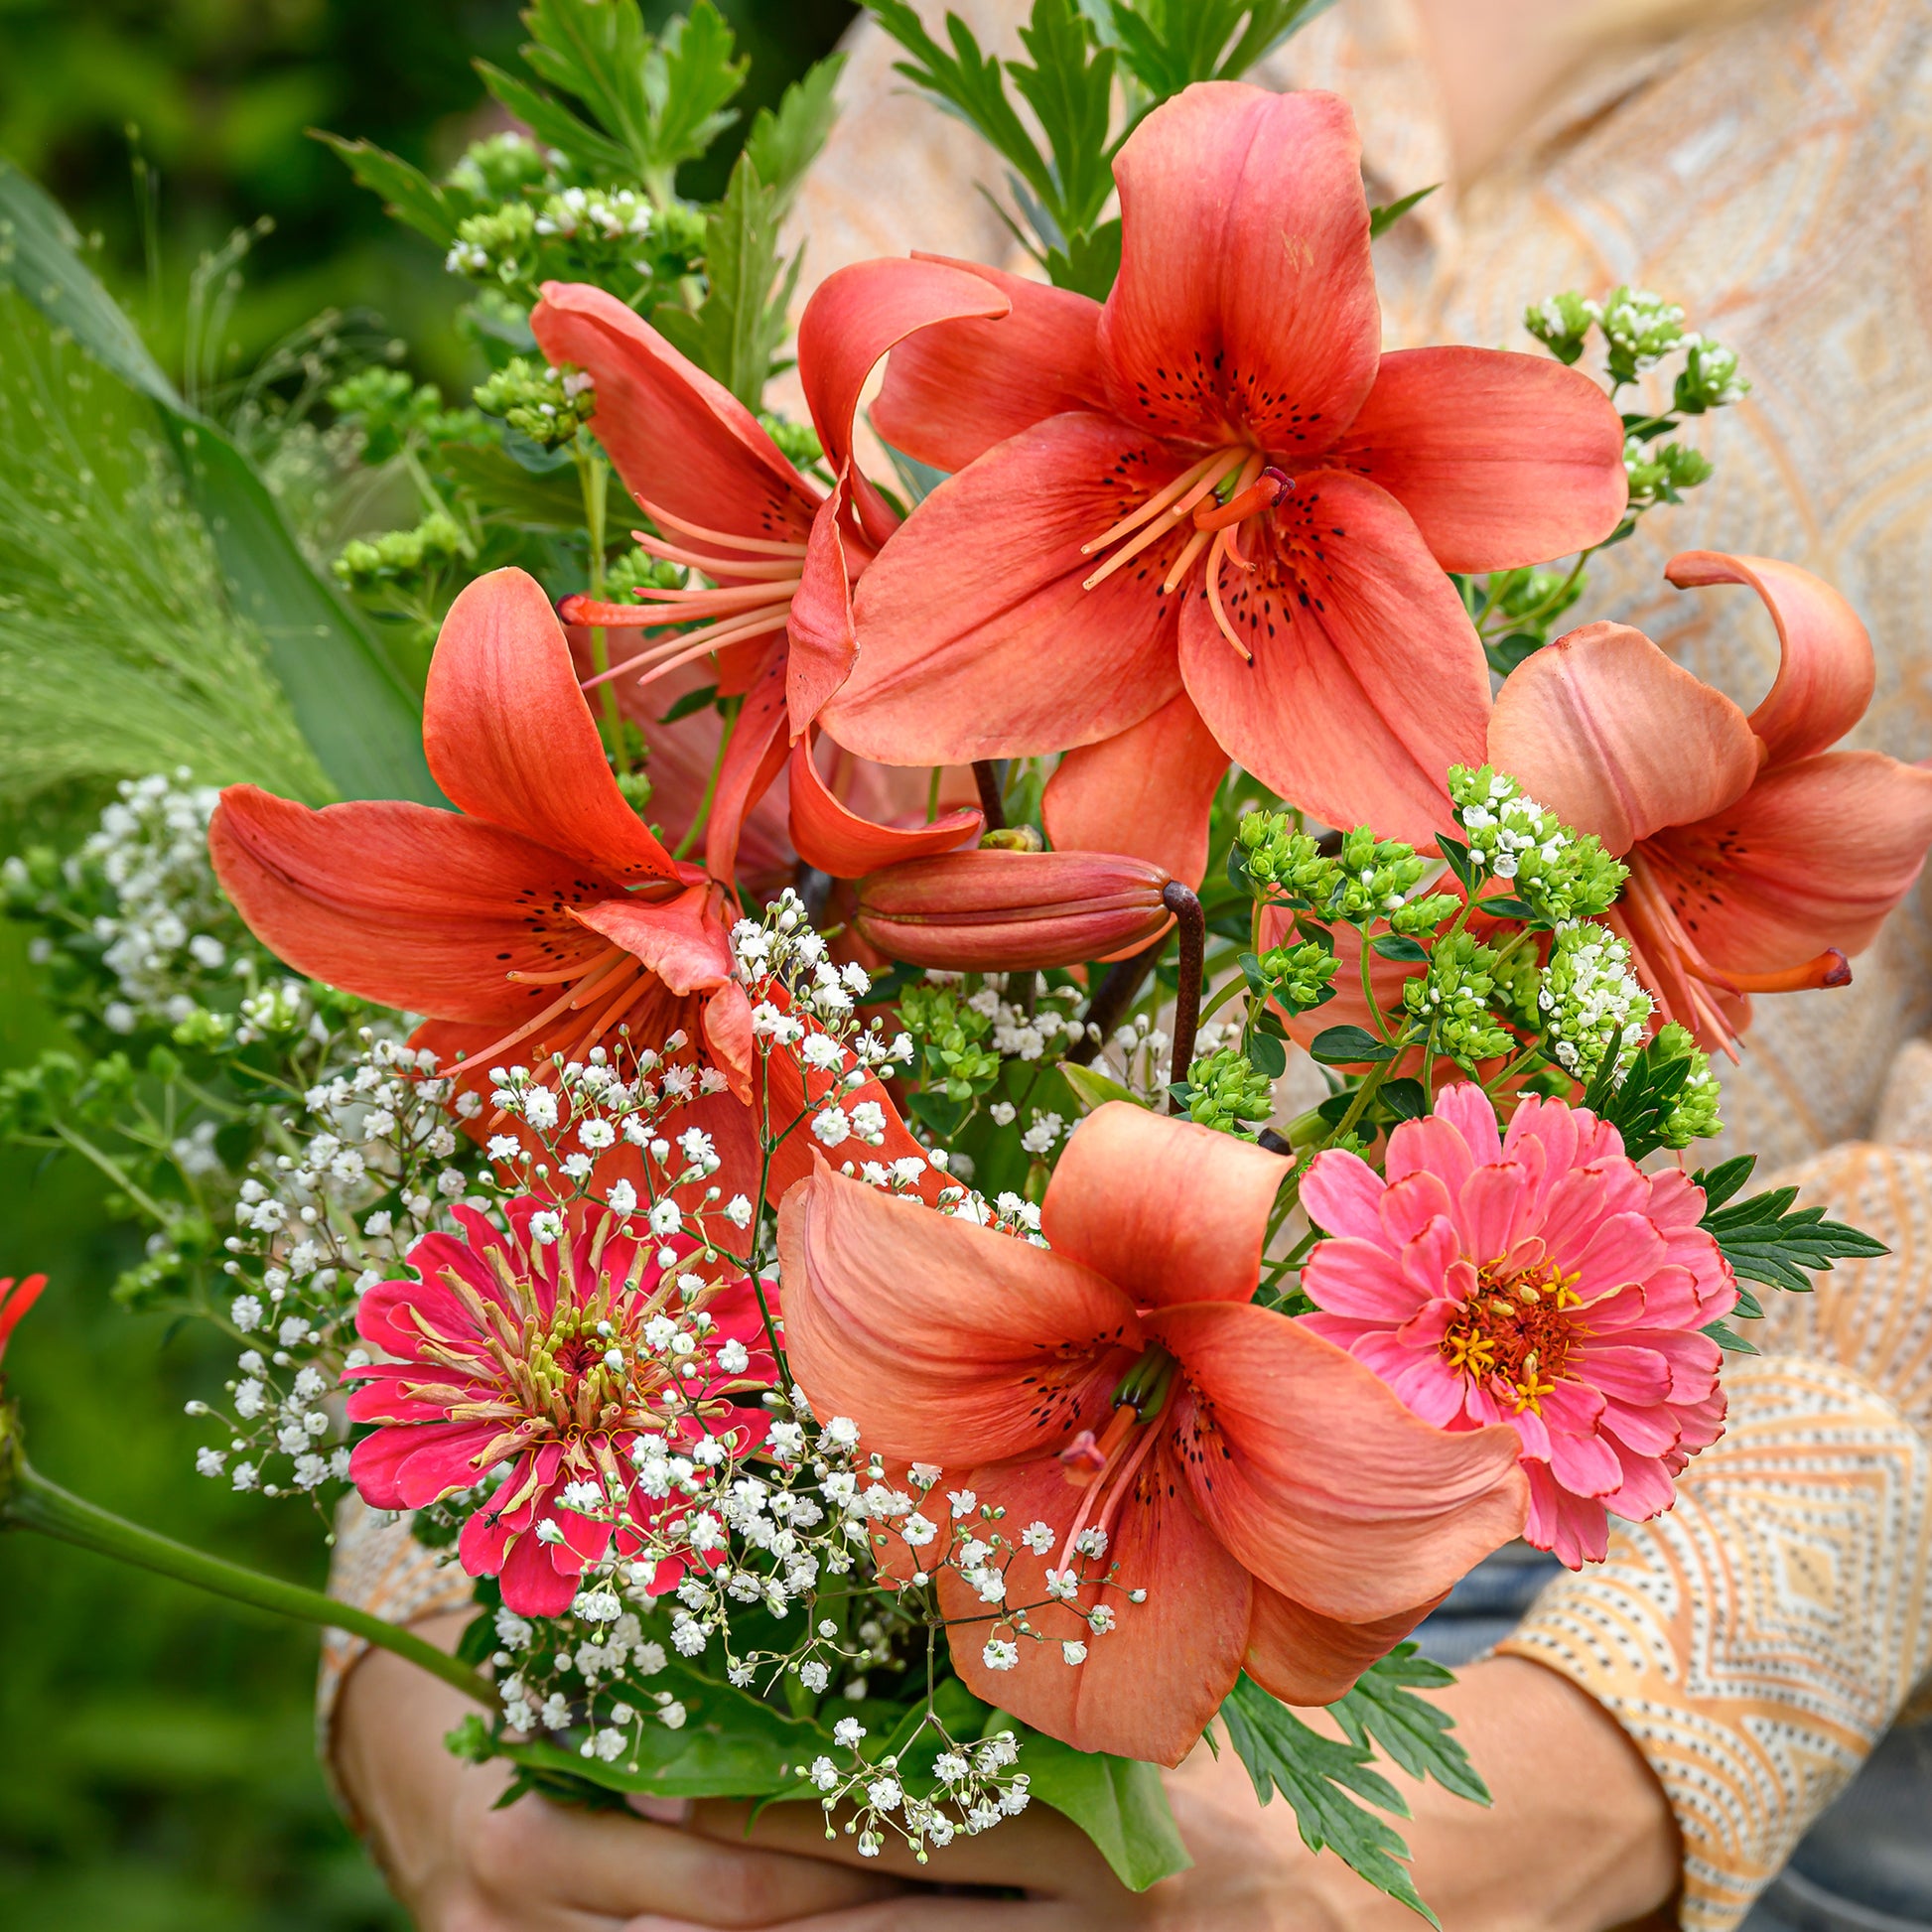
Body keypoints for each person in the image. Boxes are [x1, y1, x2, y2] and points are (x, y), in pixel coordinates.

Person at [325, 1, 1932, 1926]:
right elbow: (657, 912)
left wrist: (1564, 1796)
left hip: (1655, 1710)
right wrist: (418, 1671)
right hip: (915, 1499)